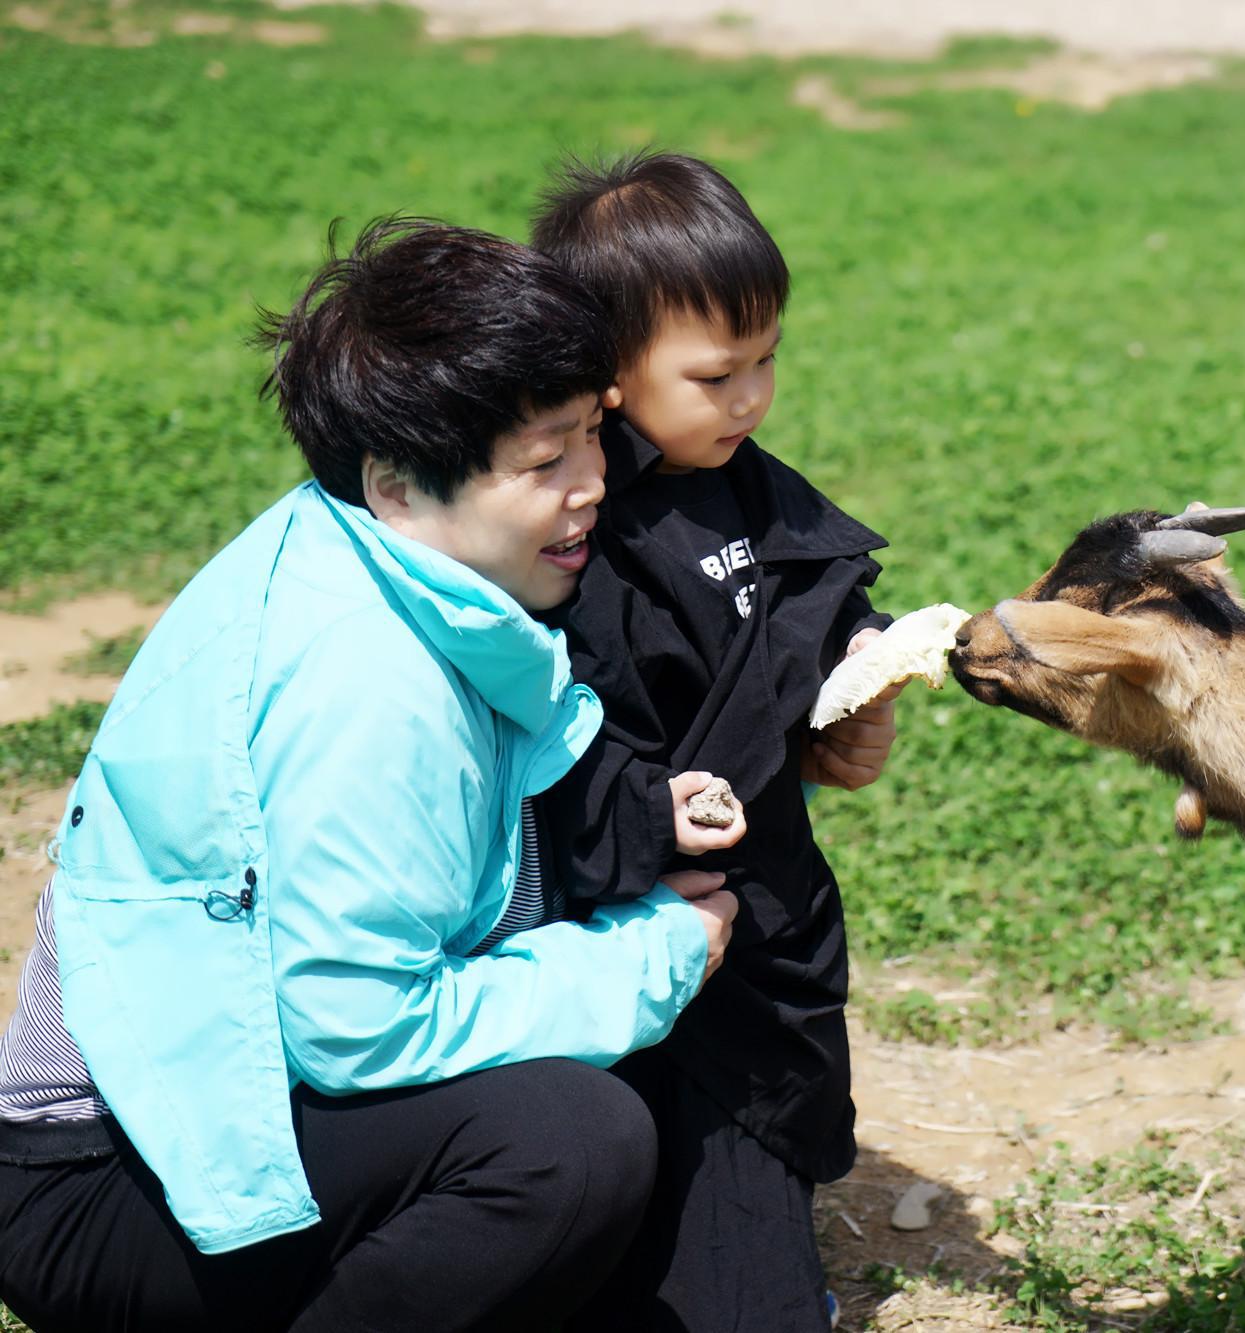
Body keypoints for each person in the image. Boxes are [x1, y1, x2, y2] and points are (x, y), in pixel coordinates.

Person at [0, 218, 739, 1332]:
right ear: (395, 484)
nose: (595, 481)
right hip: (114, 1178)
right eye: (545, 461)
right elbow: (359, 1028)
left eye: (593, 433)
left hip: (213, 1113)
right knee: (567, 1144)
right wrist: (648, 958)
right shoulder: (370, 686)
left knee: (591, 1068)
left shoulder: (371, 555)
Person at [530, 151, 901, 1331]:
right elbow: (556, 727)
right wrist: (648, 815)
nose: (748, 399)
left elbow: (815, 599)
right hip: (627, 908)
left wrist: (853, 688)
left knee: (763, 1131)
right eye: (714, 375)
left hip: (768, 892)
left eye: (766, 361)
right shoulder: (572, 524)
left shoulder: (744, 483)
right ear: (605, 371)